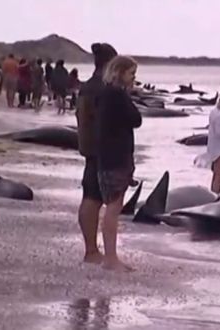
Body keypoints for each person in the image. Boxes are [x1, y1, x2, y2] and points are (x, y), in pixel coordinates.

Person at [95, 55, 141, 271]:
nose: (134, 78)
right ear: (120, 73)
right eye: (131, 74)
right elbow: (136, 119)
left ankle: (110, 256)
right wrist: (128, 96)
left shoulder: (105, 93)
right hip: (116, 159)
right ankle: (110, 258)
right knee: (114, 208)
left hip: (107, 157)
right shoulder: (117, 95)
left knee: (112, 207)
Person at [76, 42, 117, 264]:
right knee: (94, 200)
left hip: (89, 148)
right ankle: (92, 250)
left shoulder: (87, 86)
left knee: (89, 198)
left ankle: (90, 248)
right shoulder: (102, 88)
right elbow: (105, 123)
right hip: (101, 151)